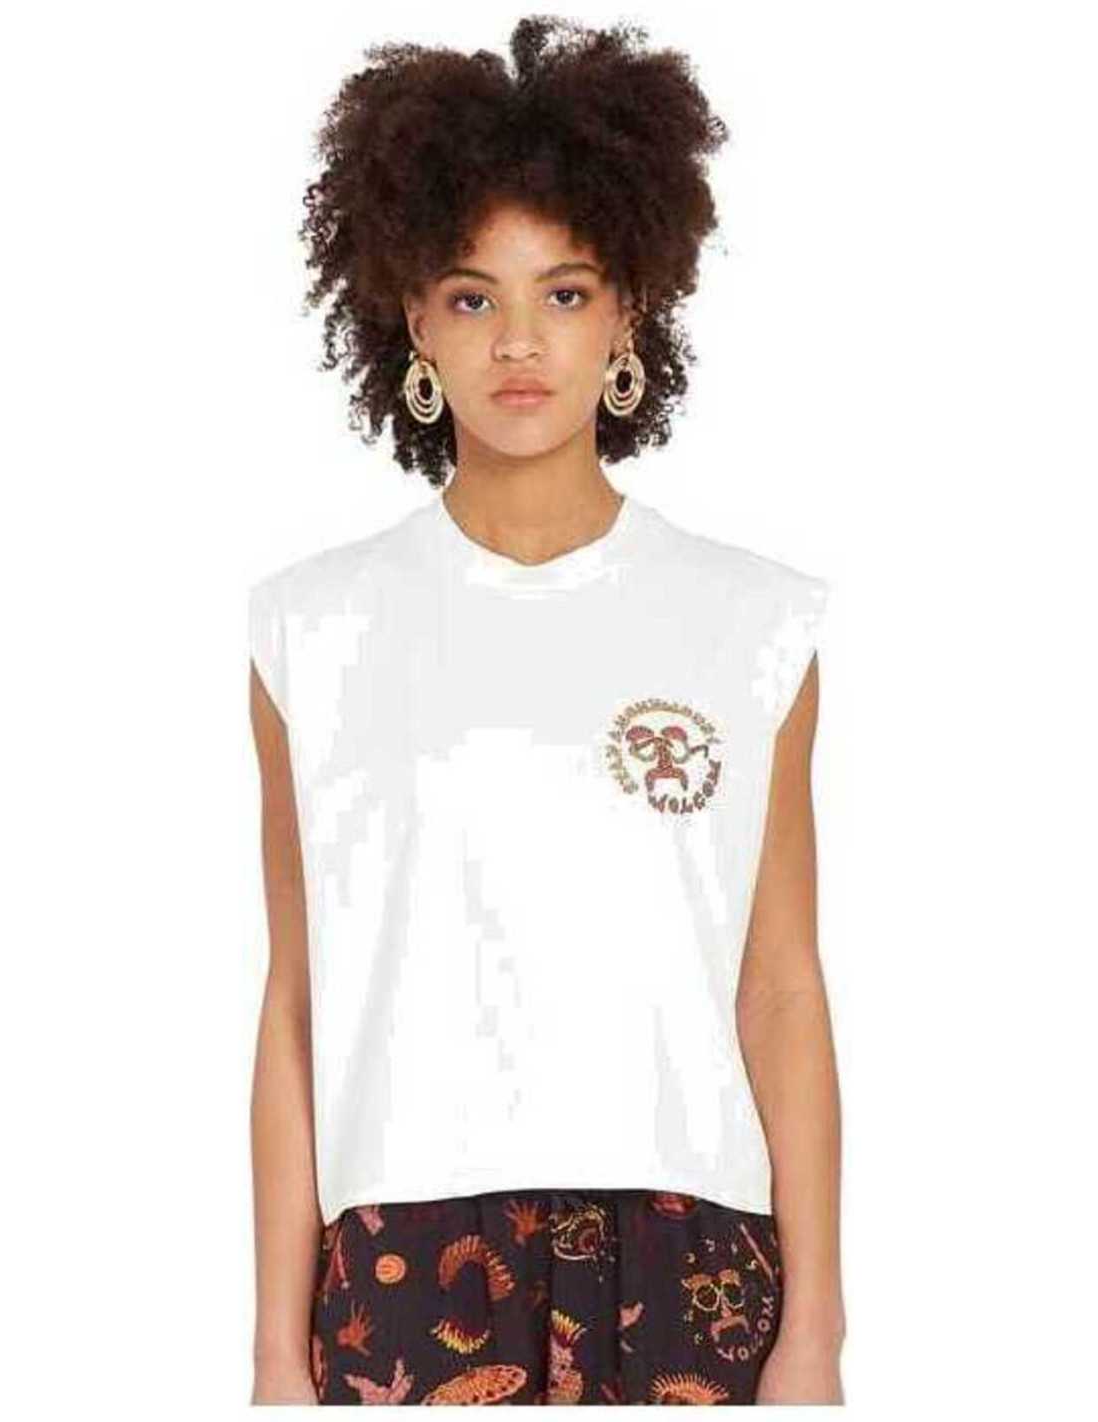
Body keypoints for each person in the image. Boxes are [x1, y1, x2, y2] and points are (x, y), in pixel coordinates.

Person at [248, 15, 845, 1406]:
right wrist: (276, 1352)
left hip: (693, 1254)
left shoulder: (755, 620)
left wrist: (816, 1330)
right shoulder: (311, 628)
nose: (519, 340)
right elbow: (297, 1000)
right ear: (410, 318)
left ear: (629, 311)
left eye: (564, 293)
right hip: (402, 1262)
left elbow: (781, 985)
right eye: (472, 298)